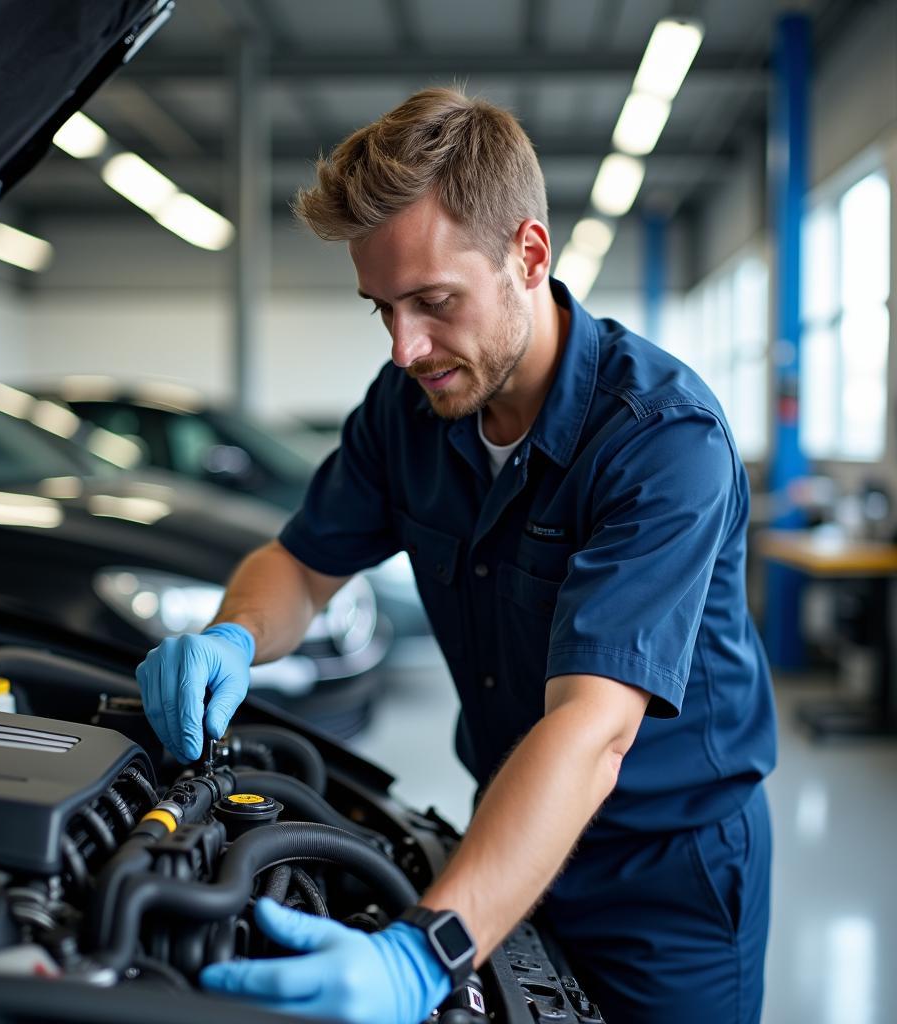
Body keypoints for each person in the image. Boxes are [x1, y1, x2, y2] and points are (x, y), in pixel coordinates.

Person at [136, 86, 777, 1024]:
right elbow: (305, 564)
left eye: (434, 302)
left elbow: (592, 732)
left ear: (528, 254)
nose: (405, 348)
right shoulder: (410, 409)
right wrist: (231, 635)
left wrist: (420, 956)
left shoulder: (662, 443)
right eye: (381, 310)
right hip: (508, 832)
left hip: (665, 885)